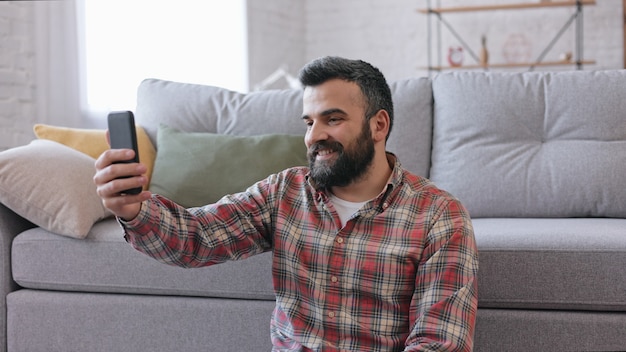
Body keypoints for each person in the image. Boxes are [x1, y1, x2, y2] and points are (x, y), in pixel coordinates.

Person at [94, 56, 479, 351]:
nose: (314, 136)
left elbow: (439, 342)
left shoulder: (439, 216)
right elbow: (198, 238)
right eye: (309, 121)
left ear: (379, 125)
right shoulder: (284, 192)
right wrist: (135, 211)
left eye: (333, 119)